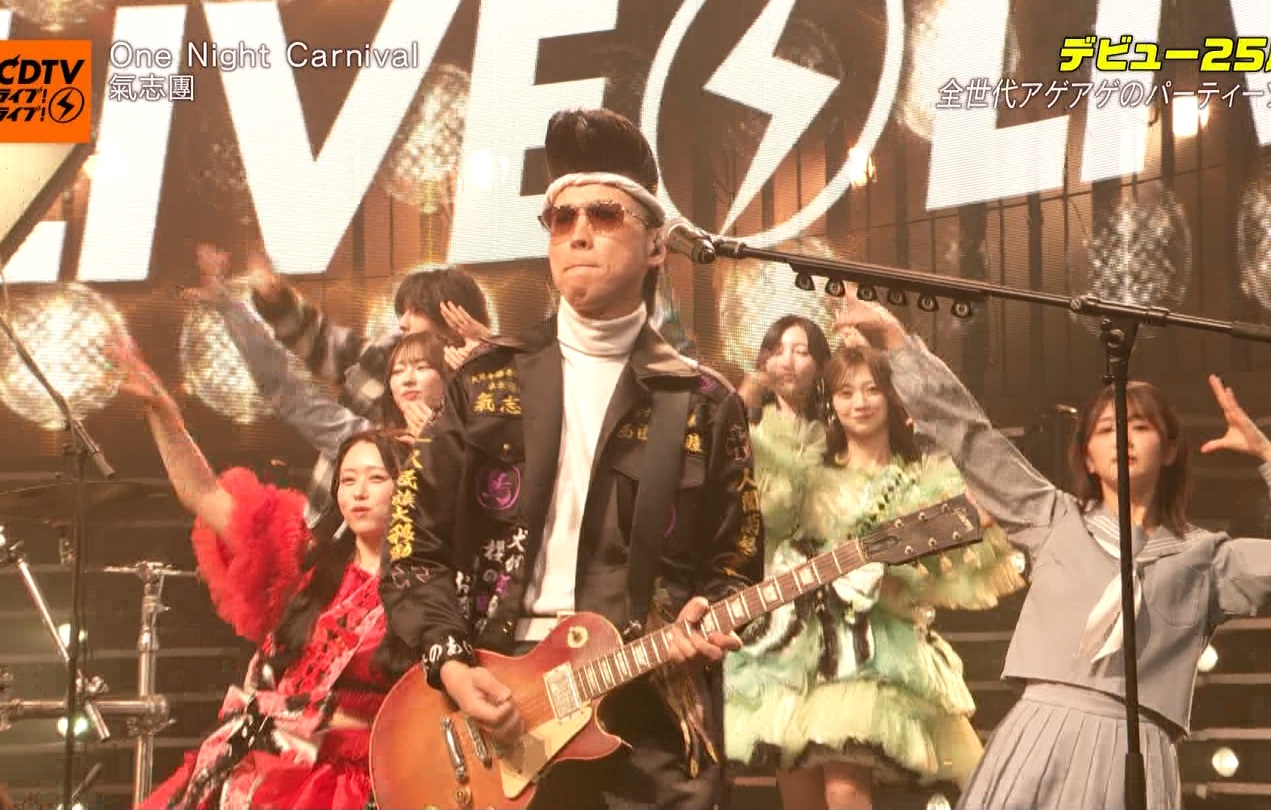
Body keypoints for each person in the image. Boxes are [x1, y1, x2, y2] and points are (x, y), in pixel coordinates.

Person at [380, 107, 763, 810]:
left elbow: (736, 568)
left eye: (605, 214)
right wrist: (453, 664)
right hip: (496, 713)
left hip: (650, 729)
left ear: (656, 245)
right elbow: (411, 545)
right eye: (562, 218)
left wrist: (708, 615)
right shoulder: (483, 383)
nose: (579, 231)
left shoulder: (706, 404)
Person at [833, 296, 1271, 809]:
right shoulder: (1052, 517)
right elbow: (970, 436)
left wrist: (1270, 455)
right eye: (1107, 429)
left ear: (1169, 448)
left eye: (1141, 427)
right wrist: (896, 342)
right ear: (1086, 453)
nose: (1123, 438)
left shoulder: (1208, 560)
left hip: (1138, 749)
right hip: (1039, 737)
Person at [109, 337, 415, 809]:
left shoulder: (428, 588)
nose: (358, 493)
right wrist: (165, 417)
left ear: (407, 488)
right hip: (255, 761)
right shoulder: (308, 568)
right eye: (348, 480)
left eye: (376, 479)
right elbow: (205, 495)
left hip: (349, 785)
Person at [780, 344, 1023, 809]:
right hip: (811, 647)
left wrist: (901, 578)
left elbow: (963, 550)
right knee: (801, 790)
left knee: (845, 786)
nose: (860, 402)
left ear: (891, 397)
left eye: (872, 389)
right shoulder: (812, 475)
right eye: (846, 392)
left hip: (890, 647)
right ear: (831, 401)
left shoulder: (921, 478)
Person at [195, 242, 492, 537]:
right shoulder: (380, 376)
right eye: (399, 370)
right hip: (331, 535)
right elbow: (310, 361)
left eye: (416, 311)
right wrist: (267, 302)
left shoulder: (486, 400)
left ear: (455, 320)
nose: (402, 323)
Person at [724, 315, 832, 773]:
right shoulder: (751, 428)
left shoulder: (832, 431)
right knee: (782, 728)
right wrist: (750, 389)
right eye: (778, 349)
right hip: (765, 580)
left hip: (825, 580)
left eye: (801, 351)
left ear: (820, 364)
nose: (788, 360)